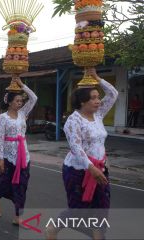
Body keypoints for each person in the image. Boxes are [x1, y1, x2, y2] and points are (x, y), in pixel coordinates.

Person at [46, 68, 118, 240]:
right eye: (93, 98)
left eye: (97, 96)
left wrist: (97, 78)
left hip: (100, 168)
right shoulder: (73, 120)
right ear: (81, 102)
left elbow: (113, 93)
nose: (98, 101)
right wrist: (91, 168)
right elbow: (76, 148)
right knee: (78, 209)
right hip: (78, 170)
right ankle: (54, 227)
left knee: (101, 207)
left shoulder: (99, 115)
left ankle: (98, 236)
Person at [0, 77, 38, 225]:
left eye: (21, 101)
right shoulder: (3, 118)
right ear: (10, 102)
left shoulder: (23, 113)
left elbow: (34, 97)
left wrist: (22, 85)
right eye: (17, 101)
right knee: (5, 183)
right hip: (7, 156)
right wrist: (0, 158)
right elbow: (0, 138)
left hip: (23, 155)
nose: (20, 103)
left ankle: (18, 215)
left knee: (22, 185)